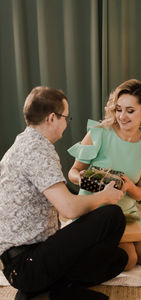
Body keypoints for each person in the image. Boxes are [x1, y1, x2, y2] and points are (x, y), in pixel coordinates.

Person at [0, 87, 128, 300]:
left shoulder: (24, 141)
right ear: (52, 118)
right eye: (66, 118)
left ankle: (48, 290)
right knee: (112, 215)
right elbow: (68, 209)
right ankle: (49, 289)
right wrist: (105, 196)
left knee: (118, 259)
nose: (67, 124)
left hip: (26, 258)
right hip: (26, 265)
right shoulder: (37, 150)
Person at [68, 79, 141, 271]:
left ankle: (105, 244)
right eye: (119, 109)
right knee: (127, 260)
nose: (122, 116)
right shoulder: (99, 133)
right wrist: (89, 180)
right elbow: (73, 172)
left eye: (130, 111)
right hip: (94, 209)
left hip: (126, 212)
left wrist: (128, 186)